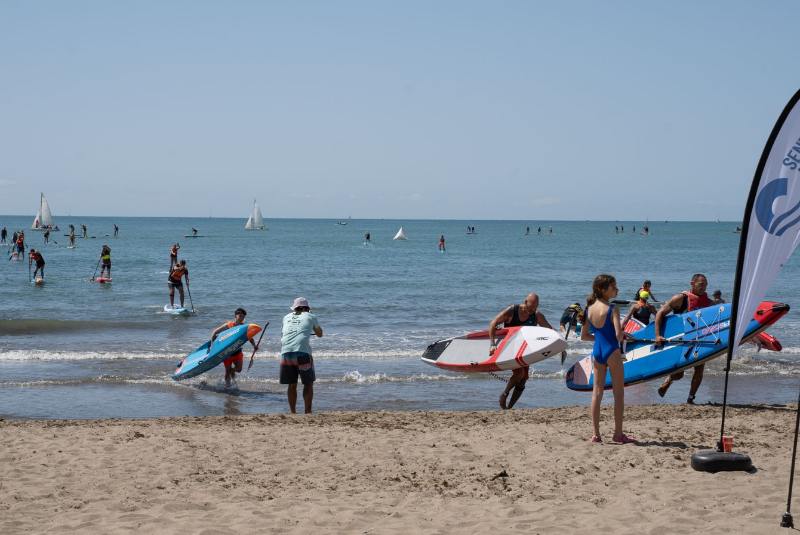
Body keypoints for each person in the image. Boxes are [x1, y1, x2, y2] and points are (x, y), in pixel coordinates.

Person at [579, 274, 637, 444]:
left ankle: (596, 435)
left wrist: (599, 338)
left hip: (597, 352)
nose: (617, 289)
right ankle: (618, 434)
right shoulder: (613, 309)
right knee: (618, 393)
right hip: (612, 351)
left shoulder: (589, 309)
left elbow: (584, 336)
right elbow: (619, 336)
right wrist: (625, 335)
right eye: (614, 287)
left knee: (597, 393)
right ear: (604, 290)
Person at [655, 273, 714, 403]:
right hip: (681, 340)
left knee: (699, 369)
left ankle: (691, 398)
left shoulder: (708, 302)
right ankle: (669, 380)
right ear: (692, 284)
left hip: (699, 340)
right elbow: (660, 313)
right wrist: (658, 335)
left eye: (705, 285)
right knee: (679, 373)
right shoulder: (680, 299)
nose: (704, 287)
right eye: (701, 284)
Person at [489, 293, 554, 409]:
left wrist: (559, 338)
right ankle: (504, 395)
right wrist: (492, 344)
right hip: (510, 347)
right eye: (531, 306)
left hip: (525, 349)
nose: (533, 309)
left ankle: (509, 408)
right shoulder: (512, 311)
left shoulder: (536, 315)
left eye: (535, 307)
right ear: (525, 302)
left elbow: (549, 328)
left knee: (523, 379)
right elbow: (493, 324)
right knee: (519, 373)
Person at [280, 297, 323, 414]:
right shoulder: (311, 316)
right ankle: (307, 412)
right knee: (308, 383)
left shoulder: (286, 317)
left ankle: (293, 412)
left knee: (292, 384)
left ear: (294, 308)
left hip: (286, 351)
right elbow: (320, 334)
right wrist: (311, 317)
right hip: (302, 352)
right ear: (307, 308)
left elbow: (282, 334)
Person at [210, 308, 258, 386]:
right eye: (240, 316)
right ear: (235, 316)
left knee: (238, 369)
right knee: (227, 371)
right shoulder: (228, 326)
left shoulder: (243, 328)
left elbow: (250, 337)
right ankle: (228, 387)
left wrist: (254, 345)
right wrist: (212, 345)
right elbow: (214, 333)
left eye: (243, 316)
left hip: (237, 353)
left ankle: (232, 372)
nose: (241, 318)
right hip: (227, 353)